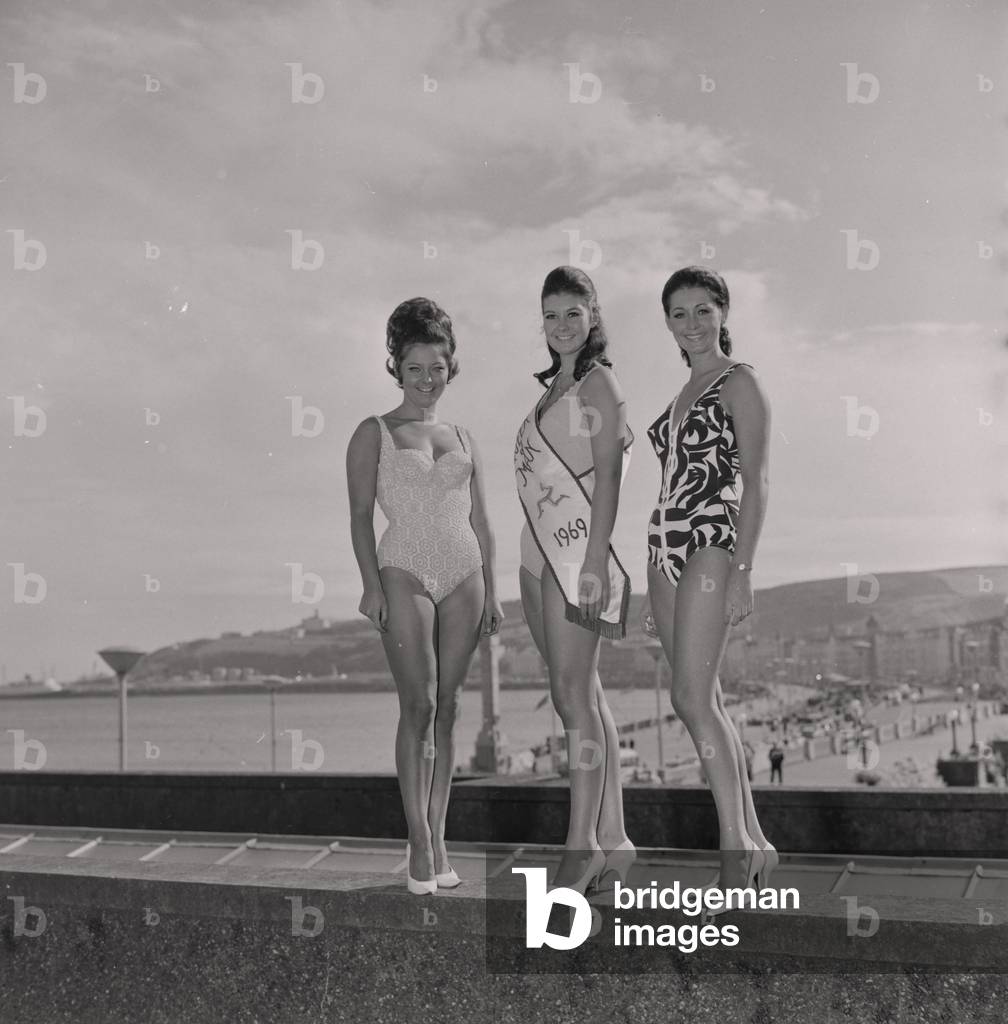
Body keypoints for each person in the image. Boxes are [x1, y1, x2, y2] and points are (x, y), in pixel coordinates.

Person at [346, 297, 504, 894]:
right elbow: (361, 515)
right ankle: (417, 839)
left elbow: (483, 521)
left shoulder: (463, 434)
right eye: (415, 368)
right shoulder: (374, 432)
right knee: (419, 705)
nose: (427, 379)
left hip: (465, 572)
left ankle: (440, 838)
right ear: (397, 367)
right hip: (404, 569)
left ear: (450, 366)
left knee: (452, 706)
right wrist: (369, 584)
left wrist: (492, 591)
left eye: (437, 367)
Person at [641, 265, 777, 896]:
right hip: (661, 547)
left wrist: (743, 571)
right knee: (710, 698)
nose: (691, 323)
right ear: (667, 323)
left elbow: (757, 481)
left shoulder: (738, 381)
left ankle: (735, 850)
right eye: (679, 313)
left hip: (710, 542)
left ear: (722, 312)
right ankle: (756, 840)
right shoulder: (679, 395)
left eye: (703, 310)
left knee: (690, 701)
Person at [515, 266, 635, 895]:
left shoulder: (598, 383)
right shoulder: (549, 391)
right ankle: (614, 837)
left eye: (573, 312)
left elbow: (610, 477)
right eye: (551, 314)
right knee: (585, 694)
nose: (561, 326)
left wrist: (592, 563)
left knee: (571, 701)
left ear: (593, 315)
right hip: (534, 563)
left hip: (571, 562)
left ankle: (580, 844)